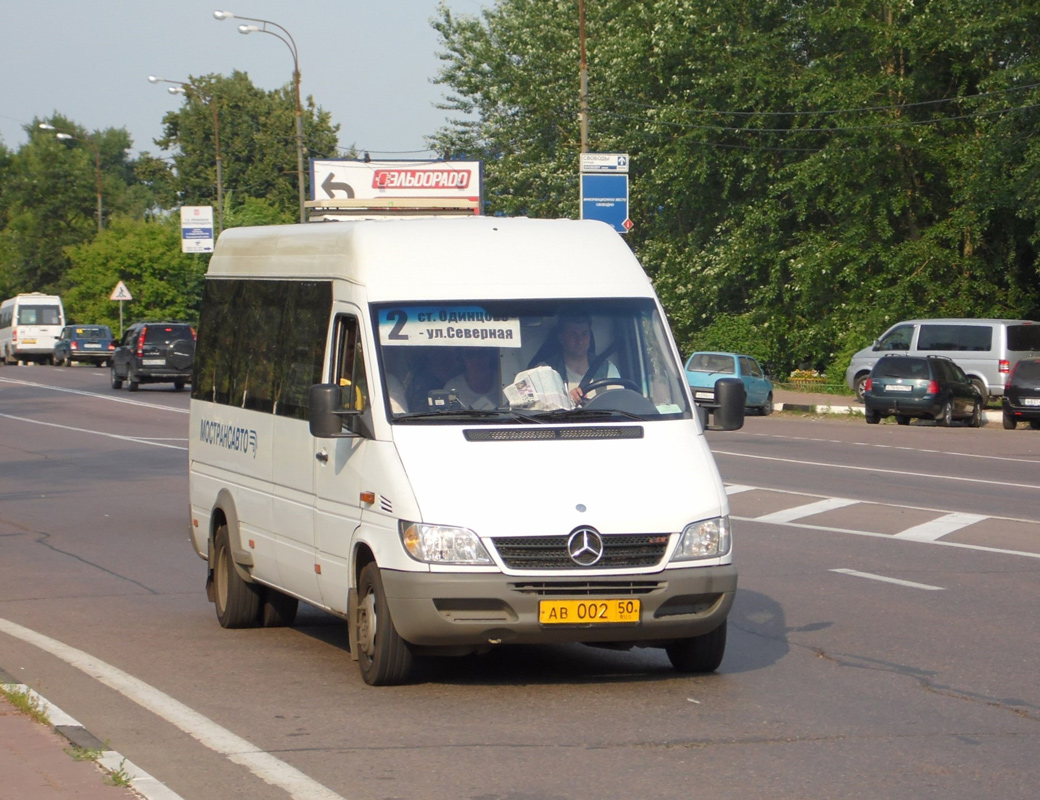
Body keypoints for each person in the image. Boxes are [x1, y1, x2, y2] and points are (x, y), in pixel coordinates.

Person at [549, 314, 619, 403]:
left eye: (584, 334)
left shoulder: (607, 369)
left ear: (590, 336)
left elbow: (618, 405)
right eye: (573, 334)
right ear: (561, 338)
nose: (580, 341)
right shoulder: (547, 372)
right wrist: (566, 401)